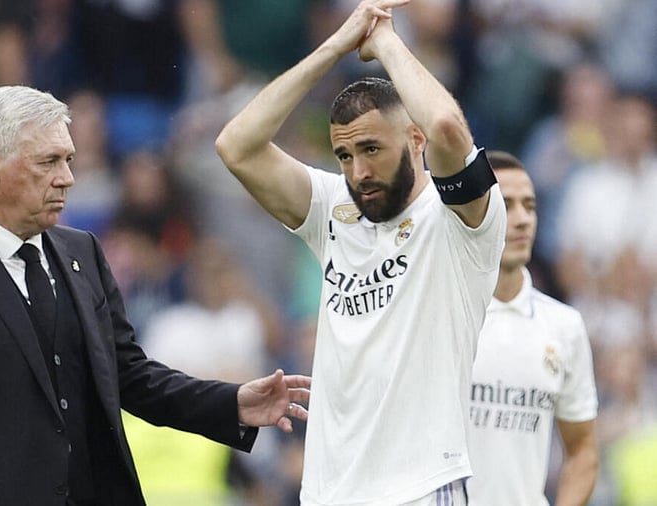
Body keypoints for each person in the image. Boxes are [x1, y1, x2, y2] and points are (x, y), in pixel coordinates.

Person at [0, 85, 311, 506]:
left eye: (68, 160)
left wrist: (230, 402)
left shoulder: (82, 251)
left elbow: (129, 377)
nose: (67, 179)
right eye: (48, 162)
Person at [214, 0, 507, 503]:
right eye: (344, 155)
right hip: (330, 490)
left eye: (371, 149)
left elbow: (447, 129)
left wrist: (386, 43)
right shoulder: (335, 212)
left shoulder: (460, 219)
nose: (358, 173)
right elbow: (236, 145)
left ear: (414, 141)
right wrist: (335, 47)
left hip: (420, 486)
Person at [465, 151, 598, 505]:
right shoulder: (440, 315)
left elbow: (583, 447)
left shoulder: (564, 326)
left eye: (530, 206)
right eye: (506, 206)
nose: (522, 219)